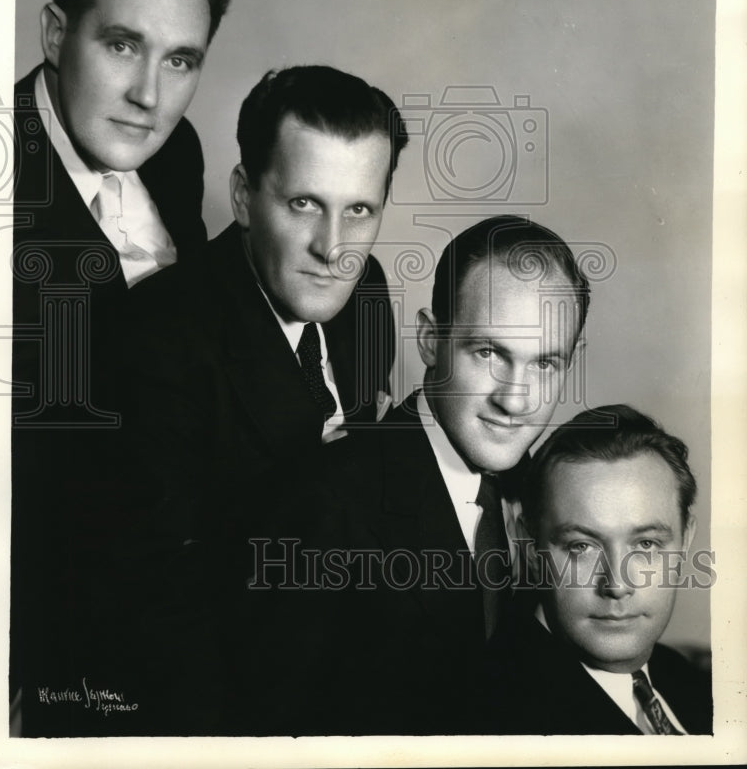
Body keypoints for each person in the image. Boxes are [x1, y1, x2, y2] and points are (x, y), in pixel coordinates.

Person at [114, 63, 409, 733]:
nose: (333, 248)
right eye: (303, 203)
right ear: (244, 196)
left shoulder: (363, 293)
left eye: (359, 210)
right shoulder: (158, 340)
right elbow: (165, 617)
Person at [10, 0, 231, 735]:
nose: (149, 96)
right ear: (54, 31)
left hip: (167, 593)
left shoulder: (174, 154)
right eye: (122, 45)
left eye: (181, 61)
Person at [250, 214, 591, 735]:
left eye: (545, 365)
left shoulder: (546, 497)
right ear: (431, 340)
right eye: (489, 353)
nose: (515, 400)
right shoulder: (325, 504)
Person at [486, 404, 713, 734]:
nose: (617, 585)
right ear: (529, 545)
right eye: (582, 546)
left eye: (645, 545)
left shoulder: (686, 680)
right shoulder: (495, 715)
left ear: (685, 540)